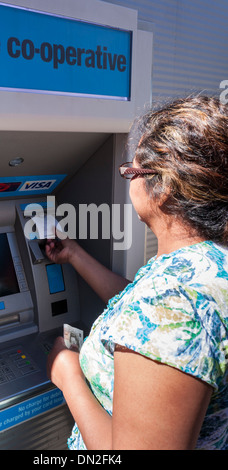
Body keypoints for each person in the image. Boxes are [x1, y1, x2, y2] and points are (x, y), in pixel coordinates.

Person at [45, 96, 228, 450]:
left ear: (166, 188)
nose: (128, 180)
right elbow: (149, 318)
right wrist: (77, 255)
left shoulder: (173, 301)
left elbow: (163, 318)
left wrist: (68, 375)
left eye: (132, 171)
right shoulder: (204, 264)